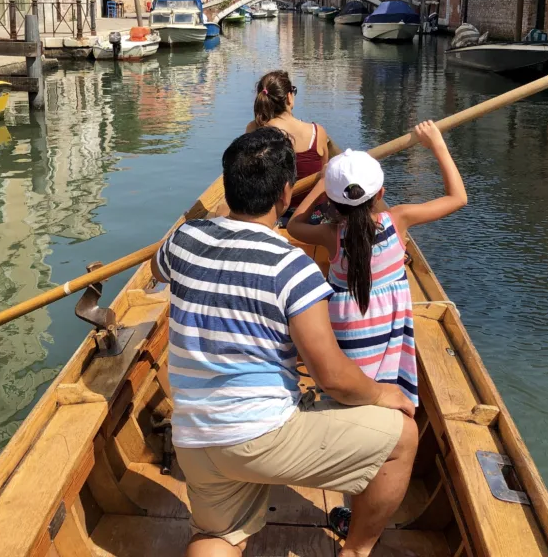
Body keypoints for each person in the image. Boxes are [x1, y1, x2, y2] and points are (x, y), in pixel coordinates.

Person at [151, 127, 418, 557]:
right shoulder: (293, 267)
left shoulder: (183, 240)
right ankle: (356, 551)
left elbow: (156, 267)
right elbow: (331, 377)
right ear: (286, 193)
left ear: (228, 185)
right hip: (260, 436)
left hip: (194, 439)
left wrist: (212, 220)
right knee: (404, 436)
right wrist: (383, 393)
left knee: (216, 535)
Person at [287, 119, 467, 416]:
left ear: (333, 201)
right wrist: (437, 144)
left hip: (345, 356)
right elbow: (458, 197)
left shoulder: (330, 235)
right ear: (380, 194)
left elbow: (294, 225)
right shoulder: (398, 220)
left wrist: (321, 183)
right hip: (387, 347)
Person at [246, 70, 329, 188]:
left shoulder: (253, 129)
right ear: (289, 97)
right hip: (315, 206)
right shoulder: (317, 132)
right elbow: (325, 174)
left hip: (272, 206)